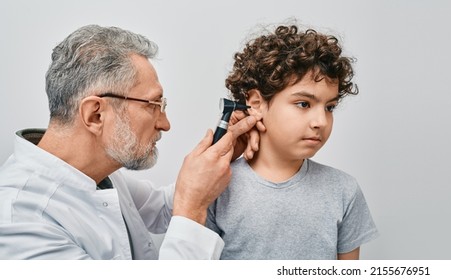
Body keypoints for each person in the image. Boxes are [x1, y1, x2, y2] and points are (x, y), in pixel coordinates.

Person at [0, 25, 261, 259]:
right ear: (96, 114)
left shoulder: (98, 174)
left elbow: (162, 209)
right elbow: (185, 206)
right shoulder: (21, 223)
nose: (165, 124)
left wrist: (221, 152)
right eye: (154, 105)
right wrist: (193, 209)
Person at [206, 24, 379, 260]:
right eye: (304, 104)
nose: (321, 121)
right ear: (256, 103)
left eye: (329, 107)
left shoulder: (343, 191)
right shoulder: (216, 187)